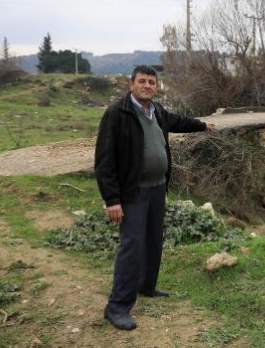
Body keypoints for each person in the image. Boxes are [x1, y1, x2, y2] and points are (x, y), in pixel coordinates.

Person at [94, 64, 214, 330]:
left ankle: (146, 286)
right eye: (142, 81)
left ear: (156, 86)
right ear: (131, 84)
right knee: (132, 246)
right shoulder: (117, 114)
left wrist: (202, 125)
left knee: (152, 240)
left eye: (151, 82)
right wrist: (112, 199)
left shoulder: (157, 111)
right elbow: (104, 161)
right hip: (133, 192)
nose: (147, 85)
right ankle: (117, 307)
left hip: (158, 188)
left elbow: (178, 121)